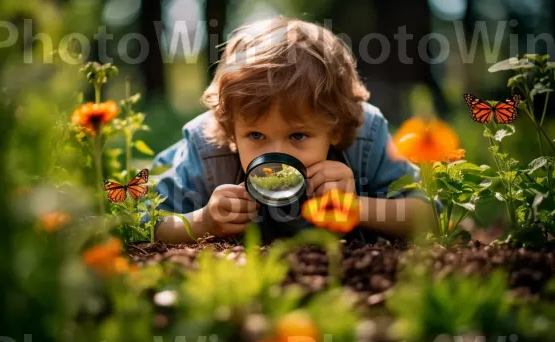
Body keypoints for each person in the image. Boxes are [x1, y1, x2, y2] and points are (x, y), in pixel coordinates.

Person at [147, 16, 435, 244]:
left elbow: (426, 215)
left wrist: (356, 206)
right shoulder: (207, 145)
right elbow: (147, 224)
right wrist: (202, 222)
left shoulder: (365, 135)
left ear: (335, 127)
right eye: (256, 135)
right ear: (231, 129)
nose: (276, 156)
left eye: (297, 136)